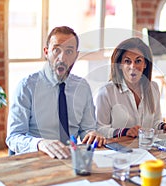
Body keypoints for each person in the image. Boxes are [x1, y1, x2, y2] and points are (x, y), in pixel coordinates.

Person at [6, 26, 106, 159]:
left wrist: (92, 134)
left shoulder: (82, 87)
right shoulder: (26, 87)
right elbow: (13, 137)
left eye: (69, 51)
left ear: (76, 55)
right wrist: (40, 144)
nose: (62, 57)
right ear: (46, 52)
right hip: (37, 159)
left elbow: (87, 129)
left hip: (71, 158)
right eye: (56, 50)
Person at [95, 37, 166, 139]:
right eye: (127, 61)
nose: (133, 66)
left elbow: (155, 122)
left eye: (138, 61)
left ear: (145, 64)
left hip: (146, 150)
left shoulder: (153, 87)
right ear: (120, 65)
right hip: (119, 151)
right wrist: (124, 132)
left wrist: (163, 126)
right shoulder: (106, 92)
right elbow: (100, 129)